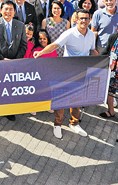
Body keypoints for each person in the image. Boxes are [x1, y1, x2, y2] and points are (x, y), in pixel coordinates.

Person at [34, 8, 98, 139]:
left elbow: (92, 51)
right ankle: (58, 124)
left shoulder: (91, 35)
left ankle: (74, 123)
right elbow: (54, 45)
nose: (84, 21)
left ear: (89, 20)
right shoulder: (69, 33)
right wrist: (41, 53)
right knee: (62, 99)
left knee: (77, 99)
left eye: (86, 18)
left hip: (82, 71)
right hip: (67, 70)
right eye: (81, 18)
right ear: (76, 19)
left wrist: (104, 60)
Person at [0, 0, 27, 121]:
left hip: (13, 64)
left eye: (11, 9)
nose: (8, 12)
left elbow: (23, 45)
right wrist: (2, 59)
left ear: (14, 12)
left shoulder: (20, 25)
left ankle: (8, 110)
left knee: (9, 88)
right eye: (6, 9)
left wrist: (15, 61)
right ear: (1, 10)